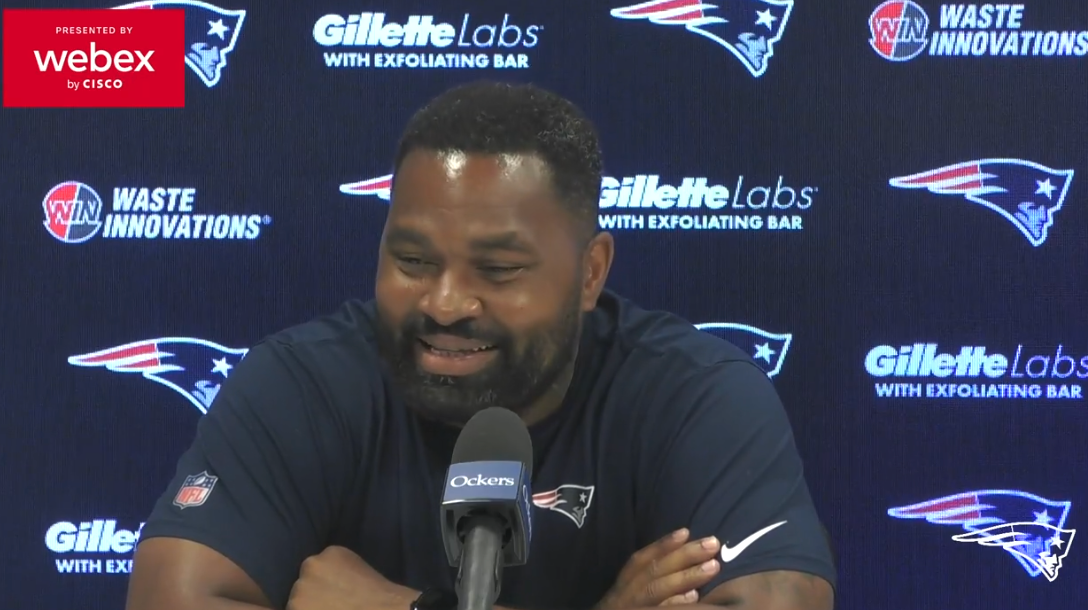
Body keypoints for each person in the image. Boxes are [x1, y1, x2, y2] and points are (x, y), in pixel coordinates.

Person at [124, 81, 836, 610]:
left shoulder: (693, 396)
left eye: (497, 270)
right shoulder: (303, 384)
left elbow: (783, 600)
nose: (445, 303)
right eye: (412, 261)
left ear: (591, 273)